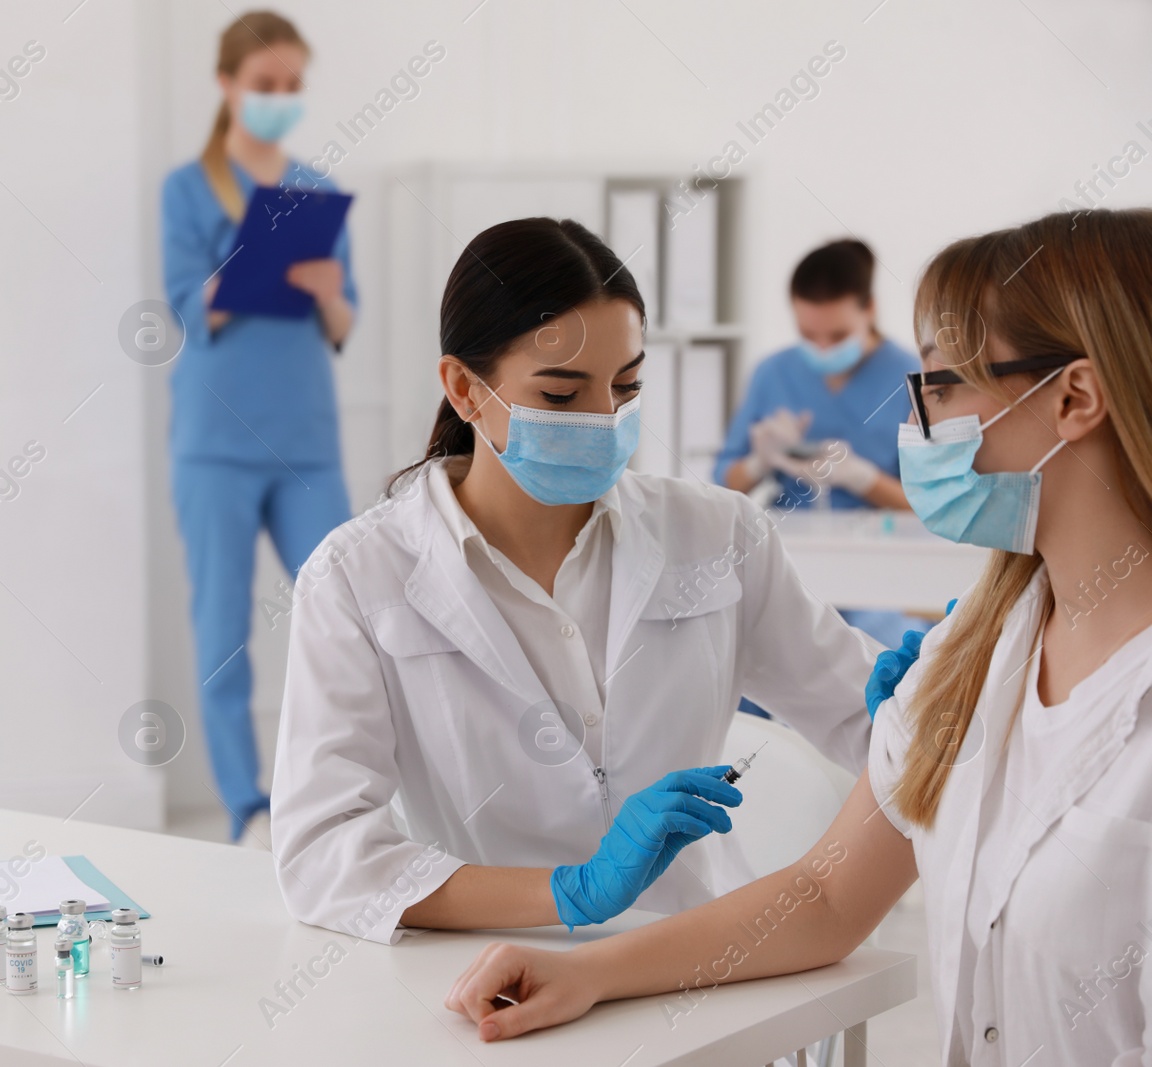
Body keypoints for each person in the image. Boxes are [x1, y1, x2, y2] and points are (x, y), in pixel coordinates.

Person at [443, 209, 1152, 1065]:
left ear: (1073, 397)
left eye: (943, 389)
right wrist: (590, 970)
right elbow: (825, 892)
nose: (921, 427)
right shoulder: (980, 639)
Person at [271, 218, 884, 947]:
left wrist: (952, 691)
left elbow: (869, 718)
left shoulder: (718, 534)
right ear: (465, 389)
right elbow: (323, 852)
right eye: (562, 395)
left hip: (694, 967)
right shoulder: (356, 577)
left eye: (625, 388)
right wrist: (570, 892)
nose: (604, 420)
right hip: (489, 980)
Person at [161, 10, 358, 844]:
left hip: (306, 437)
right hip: (216, 441)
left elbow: (346, 325)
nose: (279, 99)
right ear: (228, 84)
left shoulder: (317, 190)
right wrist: (244, 269)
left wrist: (320, 285)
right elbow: (179, 304)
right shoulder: (186, 188)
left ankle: (344, 793)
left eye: (291, 87)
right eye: (264, 85)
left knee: (352, 610)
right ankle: (247, 804)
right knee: (223, 629)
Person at [714, 239, 927, 649]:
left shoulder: (911, 377)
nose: (824, 348)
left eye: (838, 334)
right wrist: (761, 461)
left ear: (870, 310)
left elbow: (934, 506)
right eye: (809, 334)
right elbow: (723, 485)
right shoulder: (773, 372)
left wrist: (865, 480)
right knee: (745, 653)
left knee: (879, 656)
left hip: (882, 569)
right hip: (788, 556)